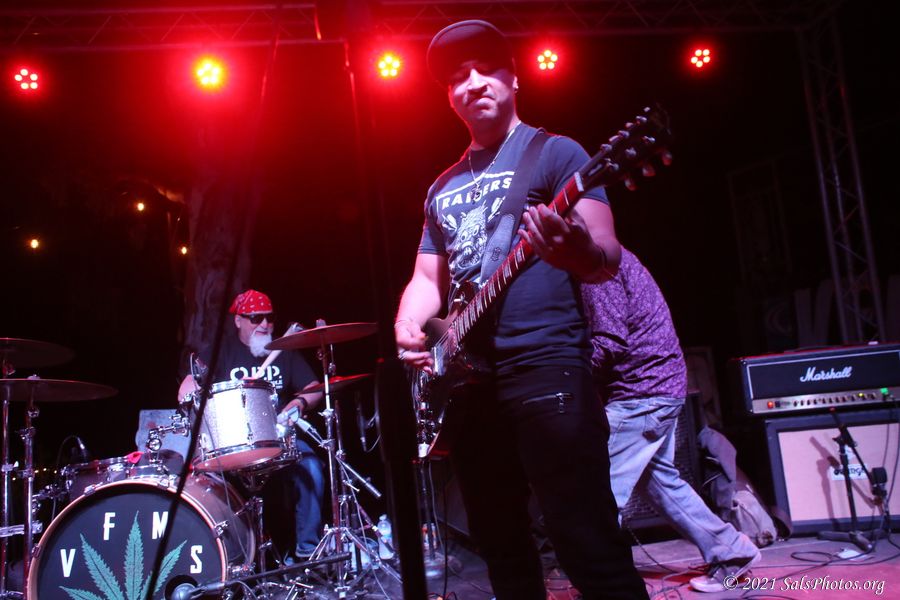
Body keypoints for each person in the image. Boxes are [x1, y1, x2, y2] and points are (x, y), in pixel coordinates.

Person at [394, 19, 648, 600]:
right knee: (501, 548)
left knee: (585, 539)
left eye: (486, 69)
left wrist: (575, 250)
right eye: (458, 77)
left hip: (545, 366)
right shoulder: (441, 187)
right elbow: (427, 279)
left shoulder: (557, 153)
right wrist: (408, 324)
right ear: (449, 97)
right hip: (468, 386)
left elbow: (605, 256)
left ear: (514, 79)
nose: (473, 83)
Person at [581, 248, 761, 594]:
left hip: (641, 394)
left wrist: (562, 377)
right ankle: (731, 551)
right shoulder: (610, 257)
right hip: (660, 387)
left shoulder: (595, 265)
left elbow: (609, 341)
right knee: (662, 485)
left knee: (596, 493)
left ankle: (606, 588)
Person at [177, 289, 325, 561]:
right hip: (235, 445)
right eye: (256, 318)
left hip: (279, 439)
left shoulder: (284, 350)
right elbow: (187, 387)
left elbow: (315, 387)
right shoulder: (221, 352)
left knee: (312, 467)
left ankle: (308, 551)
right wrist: (196, 396)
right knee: (211, 484)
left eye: (269, 318)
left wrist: (298, 404)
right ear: (239, 321)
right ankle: (231, 557)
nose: (265, 324)